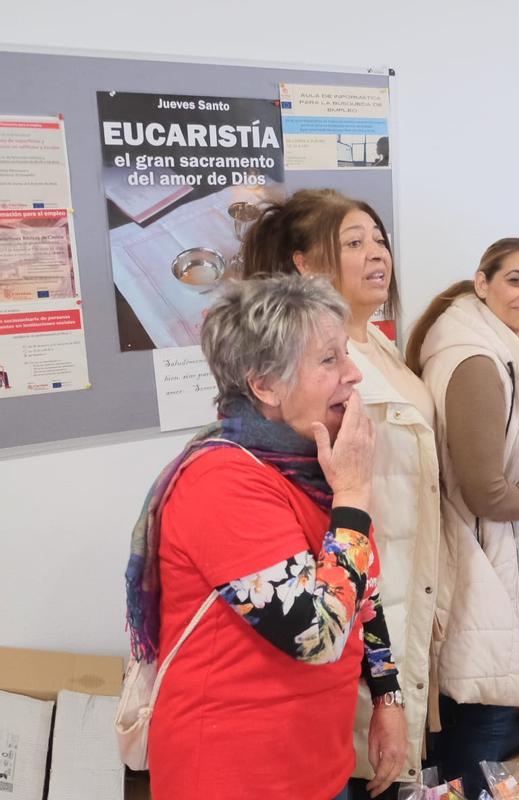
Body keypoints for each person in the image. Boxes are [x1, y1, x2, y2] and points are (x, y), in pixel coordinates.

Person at [128, 275, 404, 799]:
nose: (353, 372)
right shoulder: (221, 482)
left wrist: (388, 698)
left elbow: (361, 590)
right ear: (265, 385)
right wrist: (354, 495)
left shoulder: (311, 469)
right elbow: (314, 635)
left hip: (316, 765)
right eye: (328, 360)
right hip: (233, 777)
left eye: (345, 353)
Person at [241, 189, 438, 791]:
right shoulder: (308, 378)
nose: (377, 254)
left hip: (392, 580)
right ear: (304, 264)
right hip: (353, 586)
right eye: (353, 243)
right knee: (355, 768)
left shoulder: (377, 346)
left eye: (379, 240)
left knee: (385, 760)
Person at [405, 238, 519, 797]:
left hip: (482, 541)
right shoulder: (475, 359)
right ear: (482, 282)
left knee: (465, 701)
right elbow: (487, 493)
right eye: (516, 279)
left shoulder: (493, 344)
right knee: (488, 706)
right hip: (473, 542)